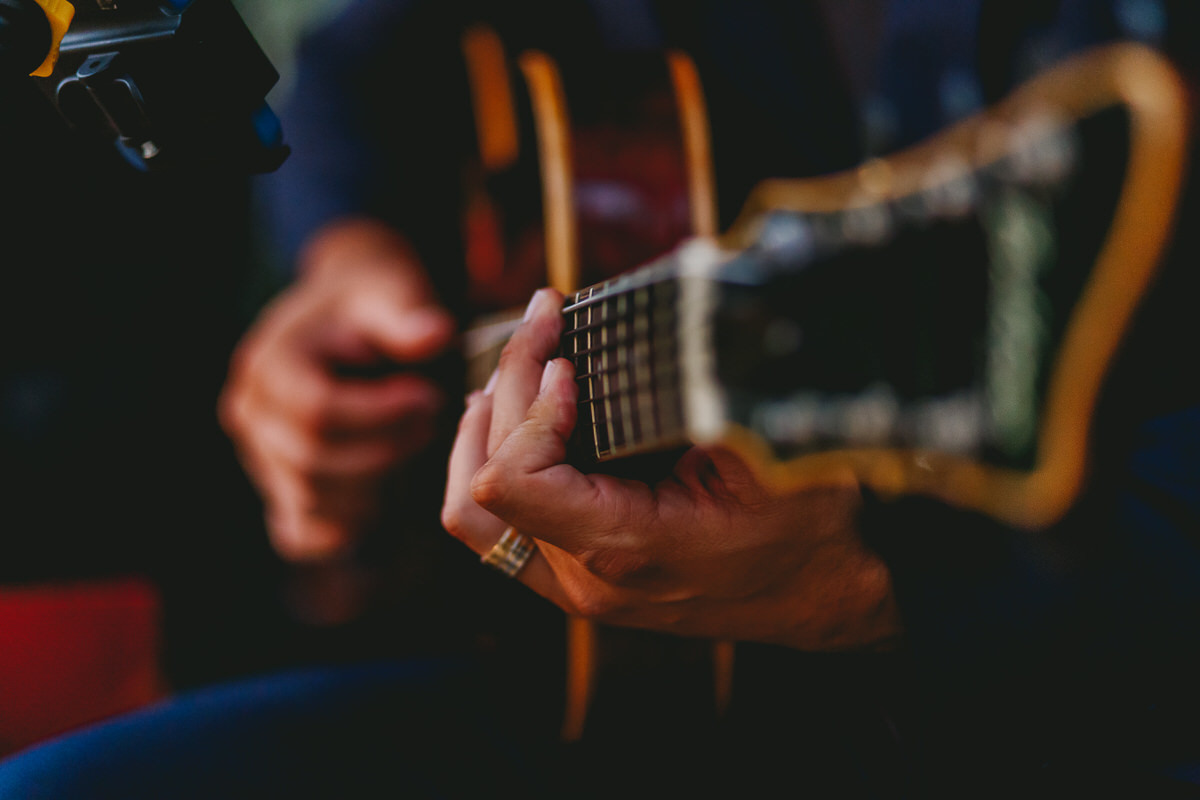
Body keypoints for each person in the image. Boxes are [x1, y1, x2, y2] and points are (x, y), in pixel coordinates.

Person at [3, 1, 1199, 797]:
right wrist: (342, 258)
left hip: (1061, 699)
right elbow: (360, 59)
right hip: (601, 691)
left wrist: (871, 593)